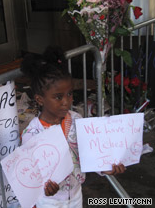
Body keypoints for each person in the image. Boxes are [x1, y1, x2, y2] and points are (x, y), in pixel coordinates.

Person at [20, 46, 126, 208]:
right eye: (58, 97)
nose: (66, 101)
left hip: (76, 194)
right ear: (40, 99)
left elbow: (89, 154)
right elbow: (31, 177)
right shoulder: (32, 134)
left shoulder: (76, 120)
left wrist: (105, 168)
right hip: (49, 202)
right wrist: (44, 189)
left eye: (69, 94)